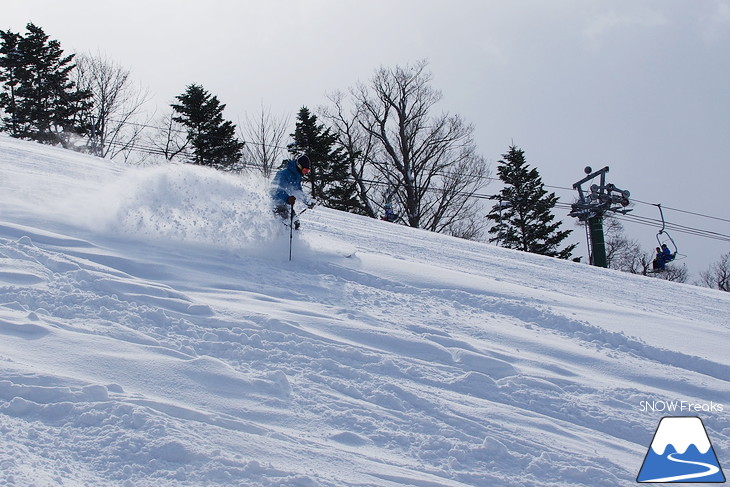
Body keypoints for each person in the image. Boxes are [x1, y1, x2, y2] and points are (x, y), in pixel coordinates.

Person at [270, 155, 314, 229]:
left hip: (286, 204)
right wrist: (287, 198)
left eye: (307, 171)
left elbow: (299, 191)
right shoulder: (284, 174)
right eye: (305, 170)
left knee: (296, 224)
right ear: (299, 167)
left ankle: (292, 239)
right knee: (288, 225)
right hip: (277, 203)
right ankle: (280, 238)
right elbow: (278, 191)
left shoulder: (297, 176)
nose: (305, 173)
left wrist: (307, 202)